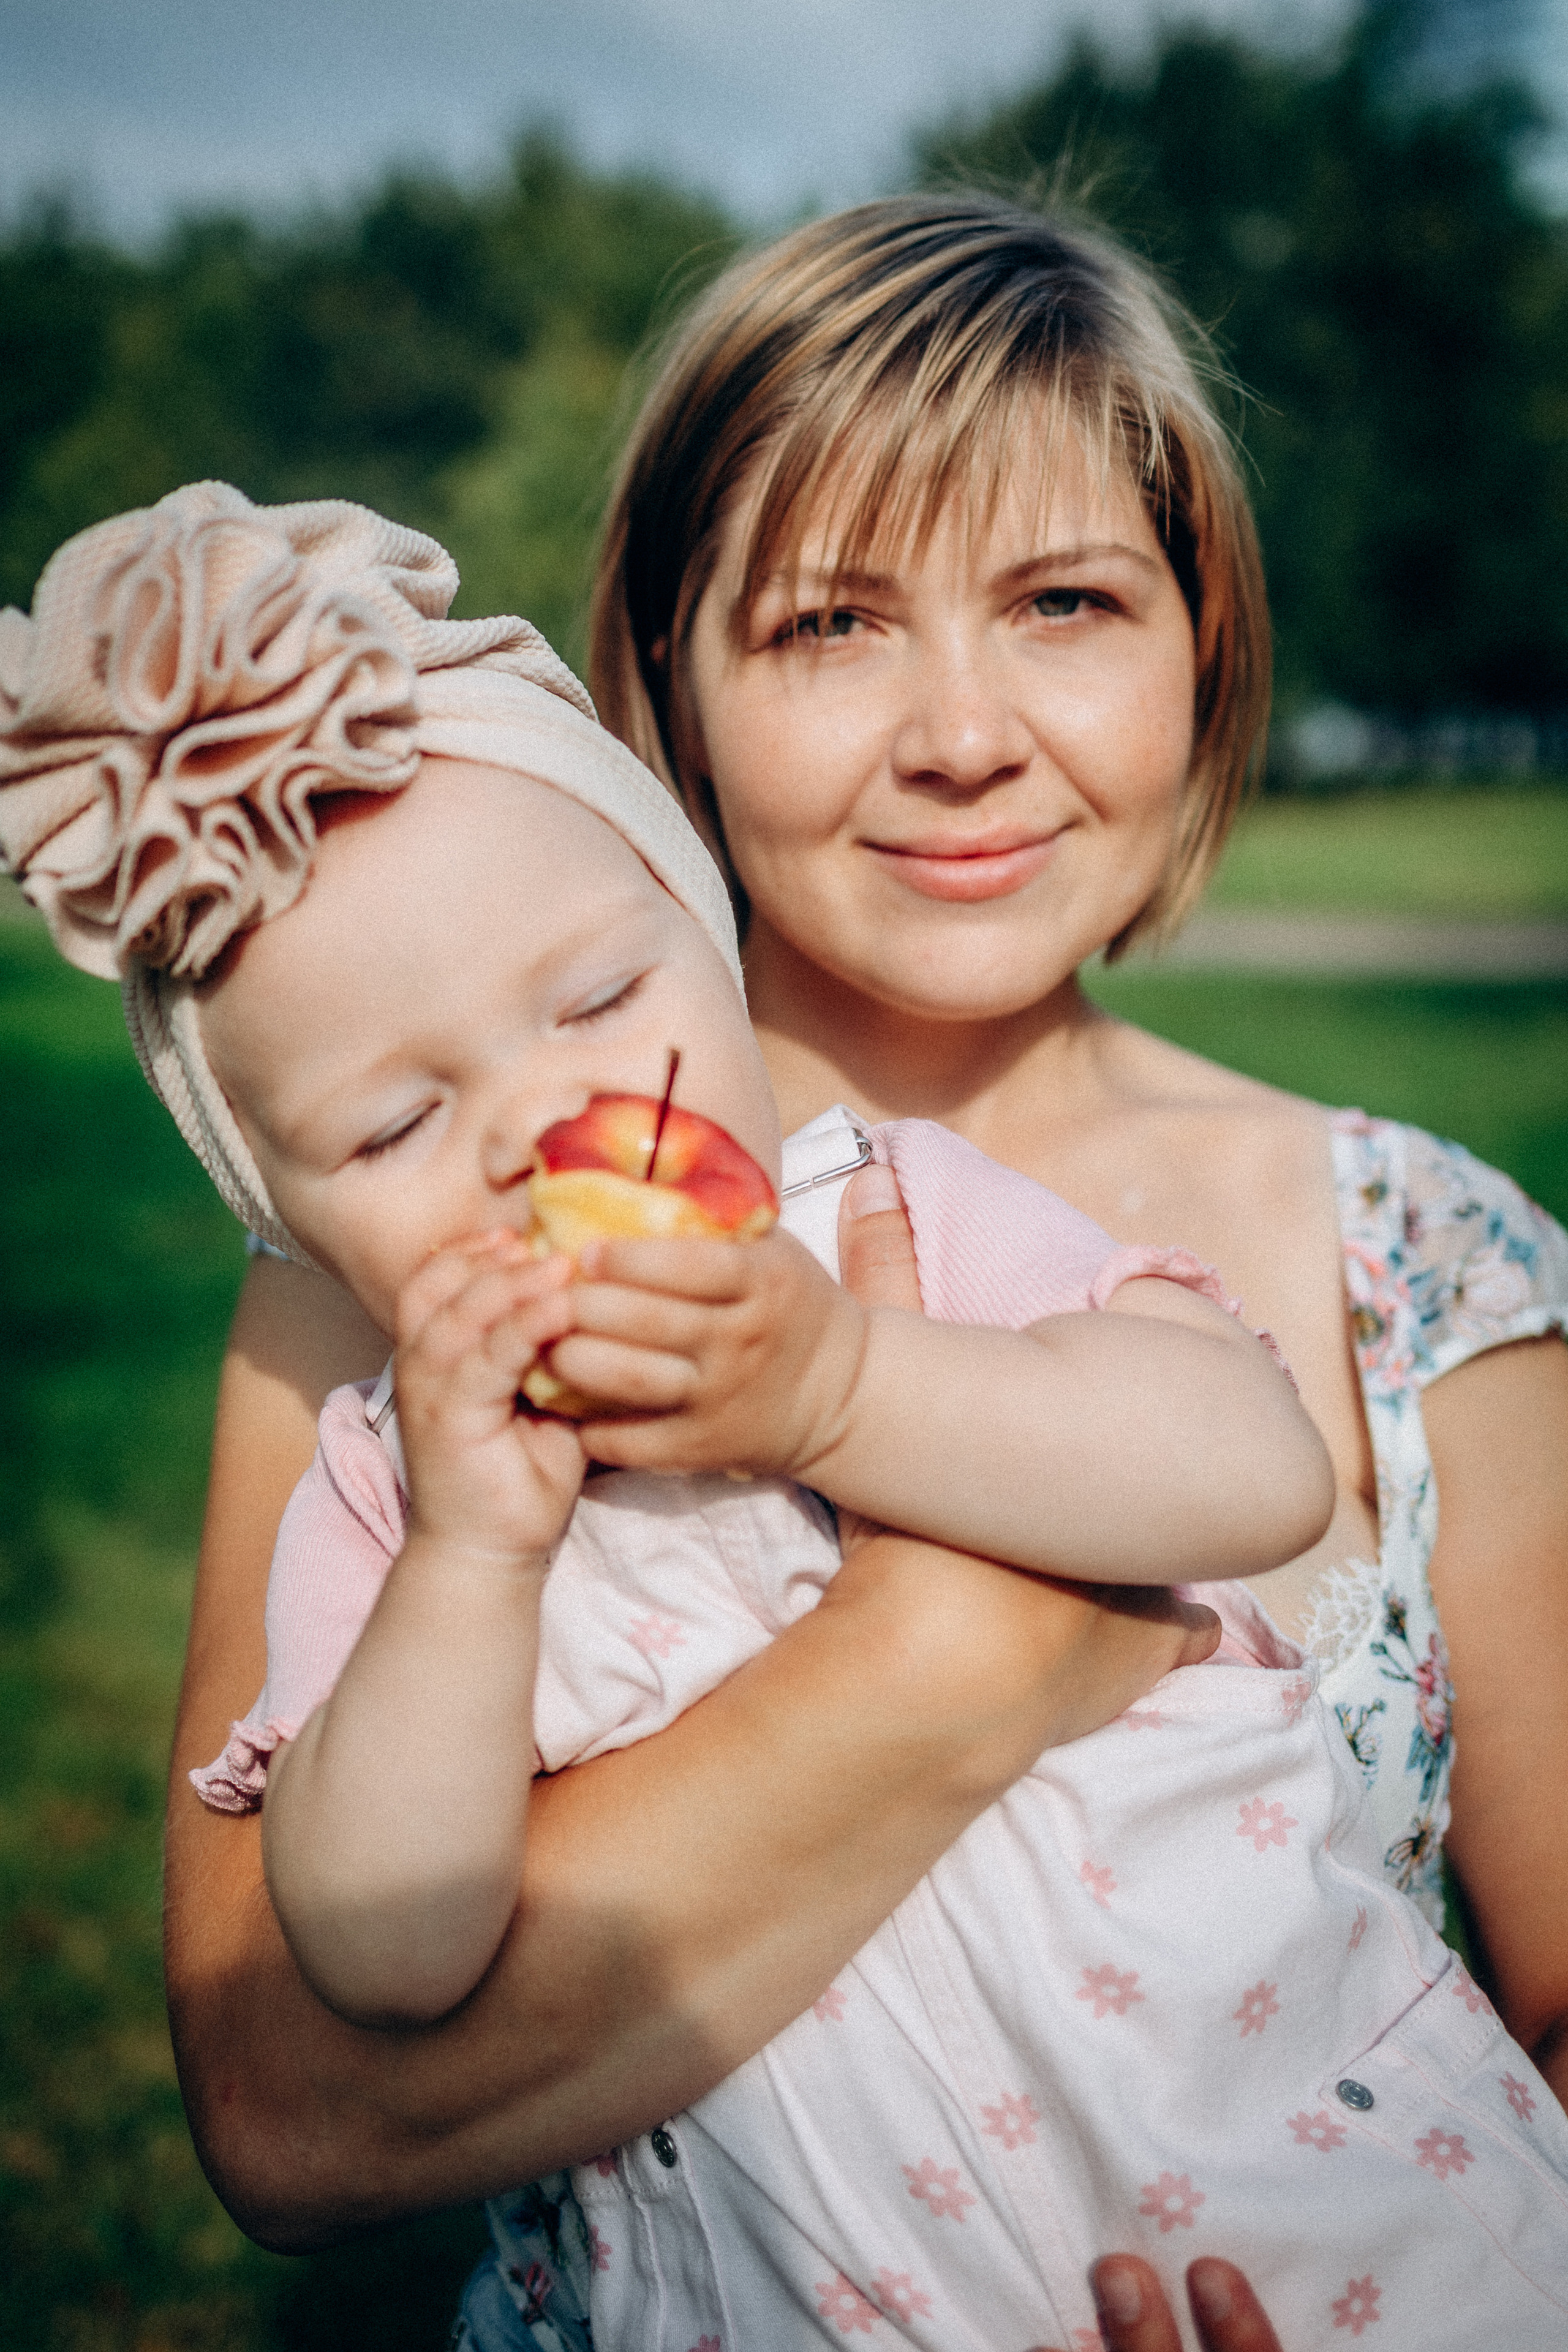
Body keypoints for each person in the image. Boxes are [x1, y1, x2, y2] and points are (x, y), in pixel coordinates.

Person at [154, 190, 1566, 2316]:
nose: (964, 733)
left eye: (1069, 601)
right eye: (829, 623)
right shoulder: (402, 1275)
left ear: (1206, 640)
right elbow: (290, 2106)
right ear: (671, 695)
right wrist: (964, 1654)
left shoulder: (1419, 1257)